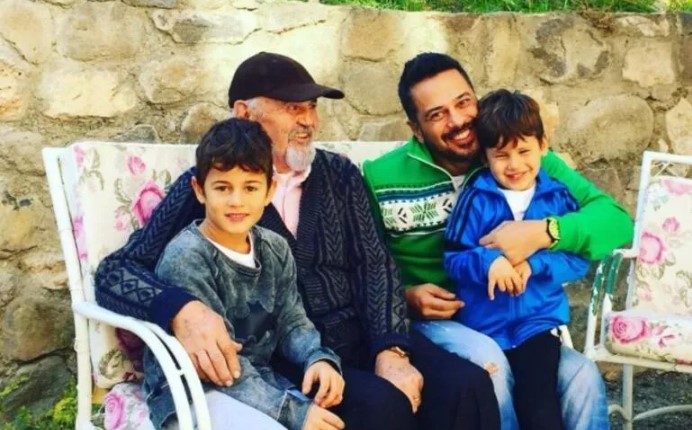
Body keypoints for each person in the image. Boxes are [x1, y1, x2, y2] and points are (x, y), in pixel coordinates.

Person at [95, 52, 500, 430]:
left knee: (467, 387)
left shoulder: (340, 175)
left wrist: (390, 350)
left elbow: (375, 265)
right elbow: (115, 271)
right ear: (245, 113)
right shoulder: (212, 188)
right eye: (293, 108)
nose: (308, 121)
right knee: (381, 406)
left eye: (311, 107)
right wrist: (182, 311)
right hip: (287, 353)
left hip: (361, 335)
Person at [363, 52, 634, 430]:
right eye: (437, 114)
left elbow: (617, 222)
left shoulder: (515, 157)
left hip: (516, 318)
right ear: (416, 129)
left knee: (583, 377)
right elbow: (364, 266)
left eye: (463, 103)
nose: (458, 121)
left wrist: (544, 233)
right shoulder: (380, 178)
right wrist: (405, 296)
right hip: (439, 322)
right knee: (490, 364)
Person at [144, 118, 345, 430]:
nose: (236, 201)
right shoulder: (188, 257)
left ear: (269, 190)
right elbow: (218, 363)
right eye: (222, 187)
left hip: (257, 381)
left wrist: (317, 357)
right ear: (199, 190)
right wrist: (291, 411)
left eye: (250, 187)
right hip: (191, 390)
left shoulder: (275, 248)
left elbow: (291, 320)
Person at [444, 89, 591, 430]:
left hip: (536, 324)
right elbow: (453, 258)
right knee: (497, 406)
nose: (514, 165)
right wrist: (488, 262)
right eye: (501, 155)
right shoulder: (476, 199)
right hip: (484, 327)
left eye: (524, 151)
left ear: (543, 145)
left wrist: (534, 264)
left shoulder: (557, 197)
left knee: (540, 406)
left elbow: (577, 261)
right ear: (485, 157)